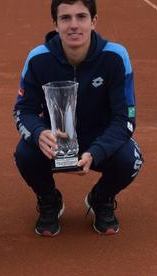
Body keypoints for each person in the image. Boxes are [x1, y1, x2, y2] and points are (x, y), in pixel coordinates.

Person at [13, 0, 143, 237]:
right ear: (55, 23)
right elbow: (24, 110)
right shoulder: (38, 58)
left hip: (99, 138)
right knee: (25, 153)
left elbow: (125, 117)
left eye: (81, 17)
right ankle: (49, 200)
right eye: (65, 18)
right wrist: (40, 133)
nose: (74, 25)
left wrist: (97, 151)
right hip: (56, 142)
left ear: (93, 21)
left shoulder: (115, 56)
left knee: (130, 158)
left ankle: (101, 198)